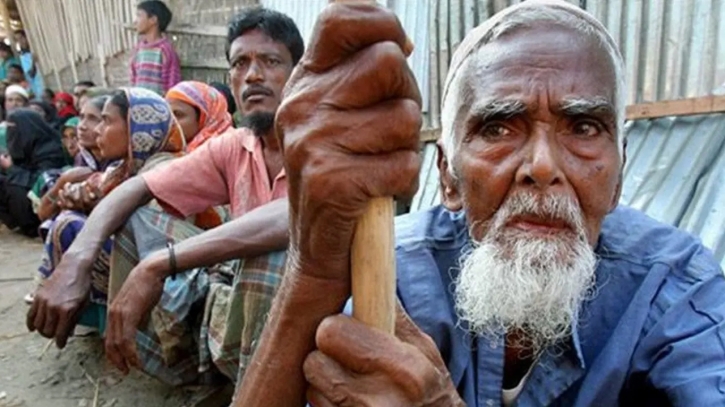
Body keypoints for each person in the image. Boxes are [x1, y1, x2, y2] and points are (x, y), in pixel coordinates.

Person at [234, 2, 725, 406]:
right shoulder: (392, 275)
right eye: (498, 128)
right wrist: (314, 268)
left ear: (618, 175)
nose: (542, 166)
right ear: (447, 176)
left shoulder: (679, 292)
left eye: (583, 128)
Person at [28, 7, 303, 388]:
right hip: (240, 288)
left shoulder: (321, 138)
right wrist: (76, 260)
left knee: (269, 258)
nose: (252, 74)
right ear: (230, 77)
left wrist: (158, 264)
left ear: (299, 75)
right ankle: (185, 367)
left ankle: (259, 388)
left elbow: (295, 217)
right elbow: (136, 187)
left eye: (270, 61)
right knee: (134, 216)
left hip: (307, 304)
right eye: (240, 63)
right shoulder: (234, 146)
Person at [30, 89, 185, 311]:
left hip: (168, 272)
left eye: (106, 121)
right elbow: (80, 194)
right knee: (68, 220)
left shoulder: (166, 169)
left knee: (68, 225)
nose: (98, 130)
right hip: (145, 260)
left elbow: (148, 232)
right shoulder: (120, 170)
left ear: (136, 128)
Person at [0, 109, 66, 236]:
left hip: (42, 203)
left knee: (15, 187)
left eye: (14, 129)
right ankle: (14, 222)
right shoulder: (21, 145)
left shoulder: (50, 148)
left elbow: (41, 182)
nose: (11, 134)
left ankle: (31, 227)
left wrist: (11, 168)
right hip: (25, 201)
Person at [130, 0, 181, 94]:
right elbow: (133, 79)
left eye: (139, 16)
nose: (135, 21)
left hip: (158, 106)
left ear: (153, 20)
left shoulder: (165, 50)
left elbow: (172, 84)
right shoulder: (138, 50)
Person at [166, 81, 233, 150]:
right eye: (167, 114)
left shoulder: (227, 149)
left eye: (178, 115)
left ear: (203, 119)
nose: (169, 121)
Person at [15, 30, 44, 100]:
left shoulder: (38, 49)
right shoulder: (23, 56)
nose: (20, 41)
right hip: (37, 87)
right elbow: (30, 73)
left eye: (21, 38)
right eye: (17, 40)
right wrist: (33, 62)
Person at [0, 85, 30, 151]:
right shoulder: (1, 128)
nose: (14, 103)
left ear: (25, 104)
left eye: (18, 100)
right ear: (5, 104)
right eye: (10, 100)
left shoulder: (32, 125)